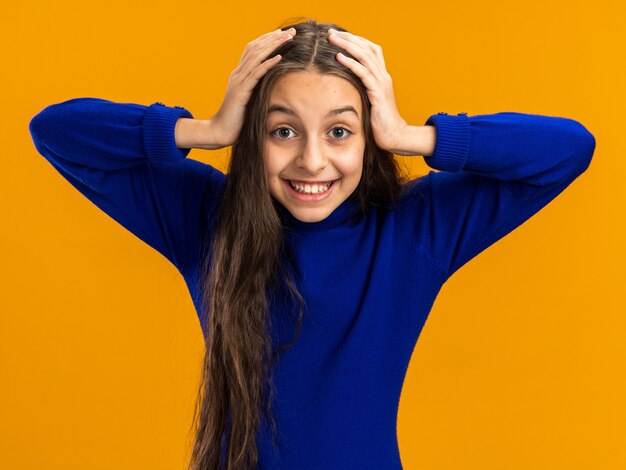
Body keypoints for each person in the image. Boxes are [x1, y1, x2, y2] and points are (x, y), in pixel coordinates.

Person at [28, 18, 596, 470]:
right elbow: (54, 129)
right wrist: (207, 129)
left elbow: (569, 147)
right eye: (283, 130)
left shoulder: (412, 229)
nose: (312, 159)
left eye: (339, 130)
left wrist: (412, 136)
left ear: (369, 137)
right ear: (255, 137)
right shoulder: (206, 217)